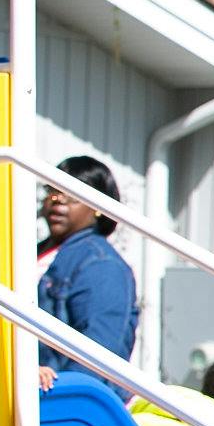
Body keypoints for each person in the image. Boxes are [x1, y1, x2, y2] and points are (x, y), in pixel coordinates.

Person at [36, 153, 139, 391]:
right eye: (52, 189)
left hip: (58, 401)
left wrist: (62, 393)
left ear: (98, 207)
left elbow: (97, 354)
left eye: (71, 193)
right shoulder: (29, 253)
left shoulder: (102, 265)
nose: (58, 199)